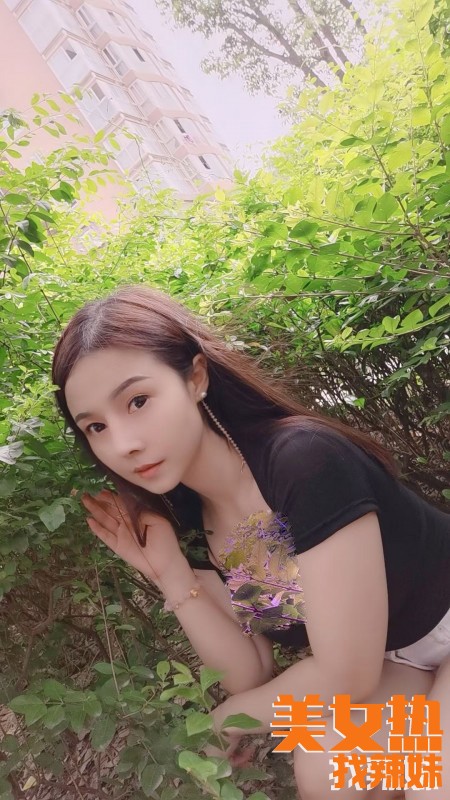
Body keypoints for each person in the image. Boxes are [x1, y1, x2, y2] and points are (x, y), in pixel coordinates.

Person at [52, 284, 450, 800]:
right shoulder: (191, 519)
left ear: (195, 378)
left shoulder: (301, 462)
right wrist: (169, 573)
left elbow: (345, 675)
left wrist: (225, 721)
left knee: (431, 787)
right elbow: (250, 671)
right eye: (96, 426)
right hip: (396, 662)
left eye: (138, 401)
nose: (123, 443)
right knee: (327, 772)